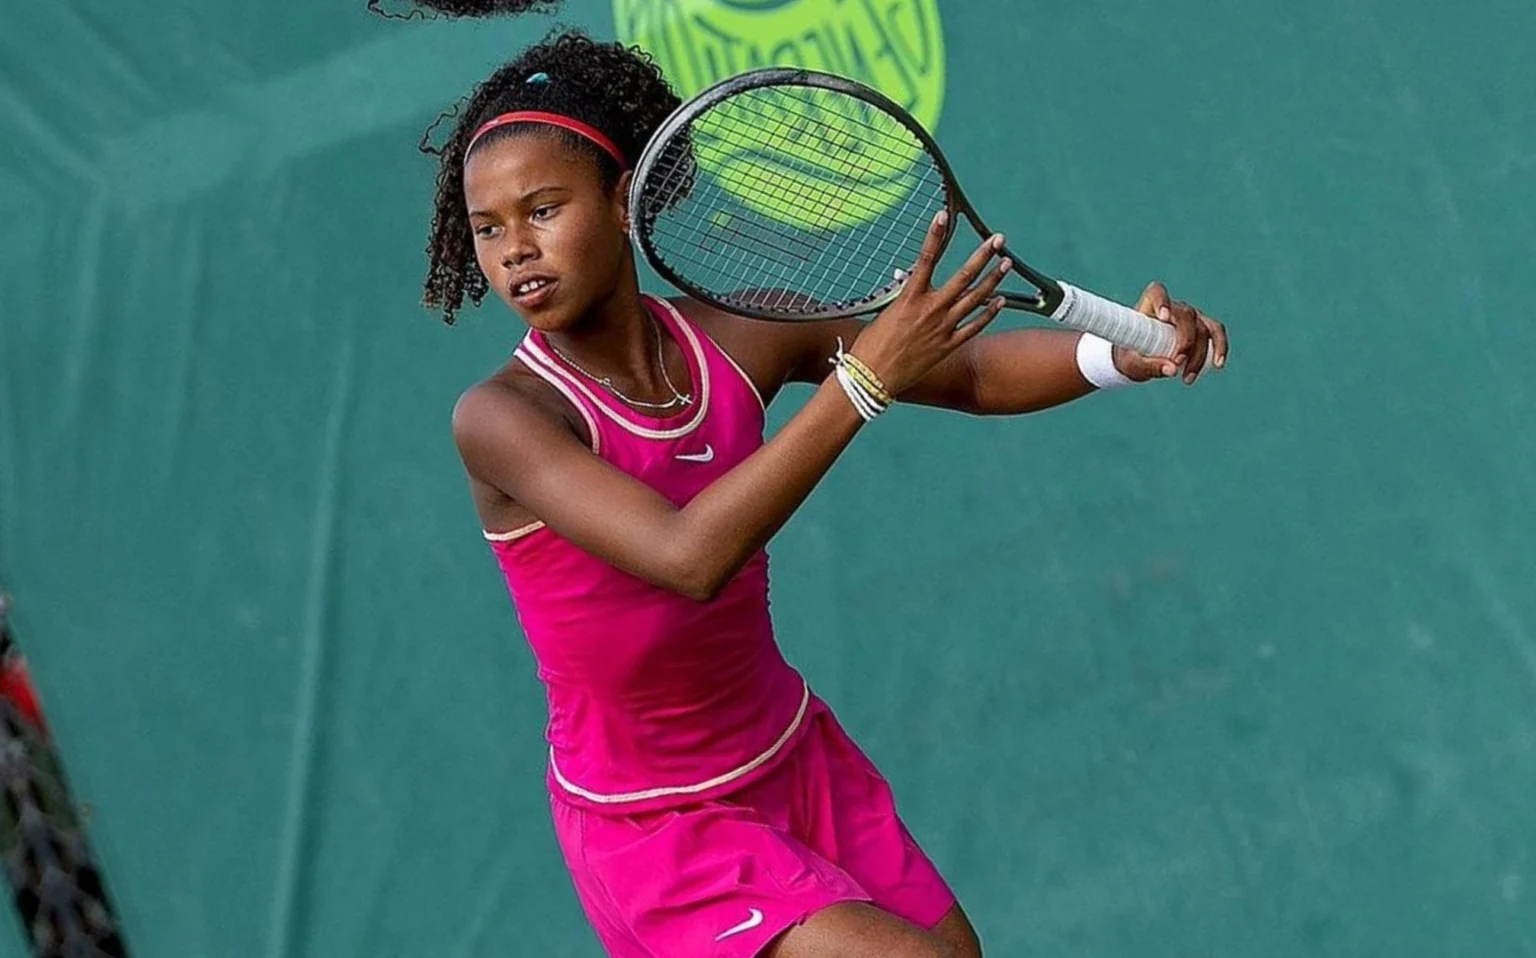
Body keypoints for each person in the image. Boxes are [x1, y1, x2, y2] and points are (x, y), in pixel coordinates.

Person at [412, 19, 1228, 958]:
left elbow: (967, 375)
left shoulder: (738, 334)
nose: (515, 248)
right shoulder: (504, 418)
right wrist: (862, 382)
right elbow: (687, 558)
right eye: (488, 228)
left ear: (624, 198)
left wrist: (1112, 356)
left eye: (544, 210)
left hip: (791, 755)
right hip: (656, 826)